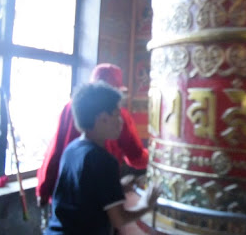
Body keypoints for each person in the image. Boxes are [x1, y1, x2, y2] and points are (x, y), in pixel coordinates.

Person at [44, 82, 161, 235]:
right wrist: (146, 204)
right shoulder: (103, 160)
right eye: (117, 115)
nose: (121, 122)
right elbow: (119, 219)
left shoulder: (72, 149)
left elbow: (84, 193)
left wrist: (116, 188)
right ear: (103, 119)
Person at [36, 64, 149, 209]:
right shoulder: (117, 115)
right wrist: (156, 159)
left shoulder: (71, 108)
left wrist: (44, 189)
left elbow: (55, 151)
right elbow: (136, 157)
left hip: (65, 194)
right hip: (98, 198)